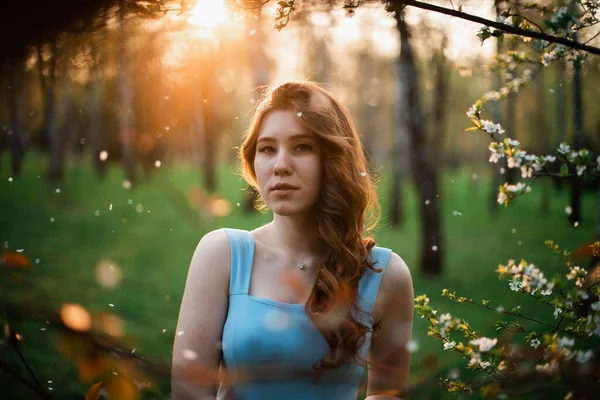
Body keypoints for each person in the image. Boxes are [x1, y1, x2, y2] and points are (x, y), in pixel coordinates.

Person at [171, 81, 414, 400]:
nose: (281, 165)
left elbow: (388, 394)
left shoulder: (384, 275)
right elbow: (189, 391)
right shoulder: (223, 255)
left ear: (334, 159)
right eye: (268, 148)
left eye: (302, 147)